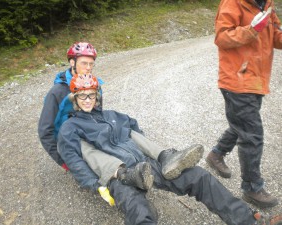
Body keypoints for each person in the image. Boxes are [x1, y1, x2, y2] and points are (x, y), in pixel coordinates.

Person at [57, 74, 282, 225]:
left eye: (92, 95)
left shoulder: (112, 115)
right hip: (119, 176)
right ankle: (136, 174)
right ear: (75, 99)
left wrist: (146, 150)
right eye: (82, 96)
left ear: (98, 96)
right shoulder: (70, 127)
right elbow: (73, 159)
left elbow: (134, 125)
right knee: (140, 212)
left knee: (199, 177)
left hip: (145, 165)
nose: (88, 100)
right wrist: (96, 185)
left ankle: (248, 220)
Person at [38, 41, 203, 192]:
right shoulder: (57, 93)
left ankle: (159, 159)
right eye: (84, 63)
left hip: (90, 133)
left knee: (123, 129)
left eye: (91, 64)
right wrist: (64, 161)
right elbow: (45, 131)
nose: (88, 68)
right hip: (71, 140)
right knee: (89, 155)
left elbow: (98, 117)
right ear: (72, 62)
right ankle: (124, 177)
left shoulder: (95, 85)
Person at [205, 0, 282, 209]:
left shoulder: (267, 5)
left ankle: (216, 154)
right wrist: (251, 30)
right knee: (252, 135)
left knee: (241, 124)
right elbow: (222, 37)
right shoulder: (233, 3)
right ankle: (252, 187)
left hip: (256, 80)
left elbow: (276, 36)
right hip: (237, 80)